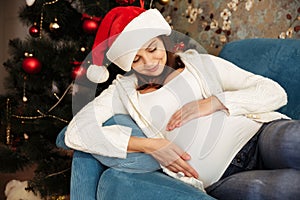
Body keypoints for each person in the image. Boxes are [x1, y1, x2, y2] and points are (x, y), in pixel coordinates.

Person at [63, 6, 300, 199]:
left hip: (258, 136)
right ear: (128, 65)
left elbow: (274, 91)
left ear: (163, 41)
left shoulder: (201, 63)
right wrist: (150, 146)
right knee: (287, 187)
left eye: (152, 48)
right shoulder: (122, 93)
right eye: (137, 59)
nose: (150, 61)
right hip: (223, 177)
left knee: (293, 138)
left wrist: (214, 102)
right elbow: (76, 132)